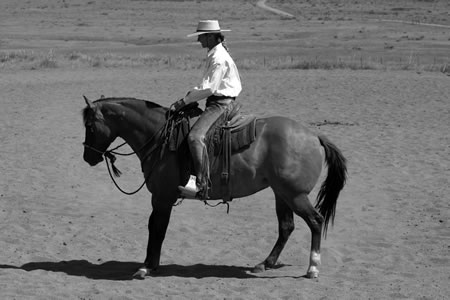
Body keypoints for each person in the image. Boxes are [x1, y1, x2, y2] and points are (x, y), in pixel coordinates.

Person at [171, 20, 242, 198]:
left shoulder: (218, 58)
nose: (199, 41)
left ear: (210, 36)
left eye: (201, 37)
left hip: (220, 105)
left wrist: (184, 100)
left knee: (195, 137)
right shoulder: (215, 53)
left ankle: (201, 184)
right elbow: (206, 86)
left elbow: (209, 88)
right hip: (217, 101)